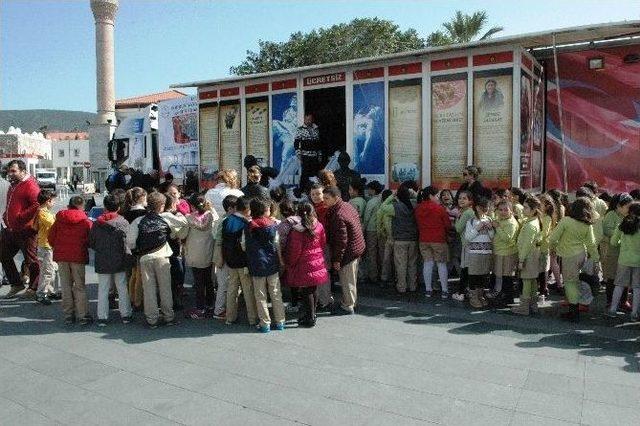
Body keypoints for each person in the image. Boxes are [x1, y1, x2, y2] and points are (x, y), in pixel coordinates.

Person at [127, 192, 185, 328]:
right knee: (165, 288)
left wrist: (137, 249)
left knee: (149, 290)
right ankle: (168, 317)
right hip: (163, 257)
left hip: (145, 257)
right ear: (162, 206)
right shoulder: (166, 218)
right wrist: (174, 232)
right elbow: (184, 223)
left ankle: (152, 319)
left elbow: (130, 242)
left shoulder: (138, 221)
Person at [548, 197, 600, 322]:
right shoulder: (587, 224)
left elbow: (553, 238)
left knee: (570, 283)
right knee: (575, 280)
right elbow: (592, 244)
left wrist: (552, 248)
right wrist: (596, 259)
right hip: (582, 254)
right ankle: (584, 282)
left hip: (568, 256)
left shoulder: (566, 221)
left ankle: (574, 312)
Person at [89, 194, 133, 326]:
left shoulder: (97, 224)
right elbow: (129, 242)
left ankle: (102, 317)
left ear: (105, 207)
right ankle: (126, 314)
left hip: (103, 259)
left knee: (103, 288)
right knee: (122, 287)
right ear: (118, 208)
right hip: (120, 259)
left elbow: (92, 242)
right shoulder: (123, 222)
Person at [48, 196, 93, 325]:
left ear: (69, 205)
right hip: (78, 256)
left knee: (66, 286)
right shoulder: (86, 222)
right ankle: (82, 315)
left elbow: (51, 237)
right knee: (79, 287)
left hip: (62, 257)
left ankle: (68, 314)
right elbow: (90, 239)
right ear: (82, 206)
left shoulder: (59, 219)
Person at [284, 202, 329, 328]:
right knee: (313, 289)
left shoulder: (297, 230)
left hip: (303, 263)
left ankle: (309, 318)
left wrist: (290, 263)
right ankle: (312, 315)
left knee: (306, 291)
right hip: (317, 260)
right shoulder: (319, 225)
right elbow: (323, 242)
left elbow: (294, 250)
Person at [1, 160, 41, 299]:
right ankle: (16, 284)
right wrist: (6, 216)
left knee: (31, 259)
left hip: (26, 230)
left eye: (13, 171)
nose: (10, 173)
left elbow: (37, 203)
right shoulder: (13, 185)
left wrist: (20, 217)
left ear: (23, 171)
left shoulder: (30, 185)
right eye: (9, 171)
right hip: (11, 230)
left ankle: (33, 288)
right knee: (3, 253)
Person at [245, 198, 286, 332]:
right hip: (271, 262)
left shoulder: (249, 226)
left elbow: (243, 245)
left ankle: (265, 323)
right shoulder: (273, 225)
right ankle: (280, 321)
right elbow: (276, 244)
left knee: (260, 295)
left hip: (256, 264)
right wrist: (280, 261)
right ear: (265, 210)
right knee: (275, 293)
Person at [323, 186, 365, 314]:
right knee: (351, 279)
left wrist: (337, 260)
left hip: (349, 251)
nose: (324, 200)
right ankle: (352, 302)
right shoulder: (346, 206)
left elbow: (341, 241)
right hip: (357, 247)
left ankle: (348, 306)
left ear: (336, 198)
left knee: (347, 280)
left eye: (326, 198)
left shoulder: (338, 214)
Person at [219, 195, 258, 326]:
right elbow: (245, 244)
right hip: (243, 261)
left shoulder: (227, 220)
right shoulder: (246, 224)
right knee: (248, 290)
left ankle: (230, 317)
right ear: (247, 209)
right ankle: (253, 318)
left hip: (230, 260)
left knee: (232, 289)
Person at [184, 194, 218, 319]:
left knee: (198, 282)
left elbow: (183, 234)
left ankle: (200, 307)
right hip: (208, 252)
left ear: (192, 206)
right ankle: (210, 304)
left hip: (195, 253)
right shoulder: (211, 215)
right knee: (209, 280)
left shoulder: (188, 219)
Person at [415, 186, 452, 299]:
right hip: (439, 239)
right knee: (441, 264)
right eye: (436, 195)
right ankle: (444, 290)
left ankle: (428, 289)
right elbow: (447, 225)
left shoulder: (418, 208)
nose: (438, 198)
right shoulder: (439, 208)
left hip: (423, 239)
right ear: (431, 196)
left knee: (427, 264)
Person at [607, 202, 640, 319]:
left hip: (624, 260)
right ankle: (634, 313)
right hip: (638, 262)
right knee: (637, 288)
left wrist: (623, 243)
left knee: (619, 285)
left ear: (630, 212)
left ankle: (612, 310)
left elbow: (613, 242)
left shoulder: (622, 225)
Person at [512, 196, 543, 316]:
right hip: (533, 256)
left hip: (528, 257)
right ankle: (533, 305)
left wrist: (521, 260)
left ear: (534, 209)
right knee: (533, 281)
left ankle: (524, 307)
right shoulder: (533, 221)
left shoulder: (530, 225)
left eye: (525, 208)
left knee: (526, 281)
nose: (523, 209)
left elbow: (526, 245)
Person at [602, 193, 634, 307]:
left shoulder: (629, 216)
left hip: (625, 253)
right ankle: (610, 301)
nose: (629, 209)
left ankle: (623, 301)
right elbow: (606, 231)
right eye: (627, 207)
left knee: (626, 278)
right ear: (618, 206)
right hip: (613, 252)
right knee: (612, 277)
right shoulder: (611, 215)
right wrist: (621, 234)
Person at [386, 186, 418, 294]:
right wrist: (413, 193)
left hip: (400, 240)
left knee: (401, 264)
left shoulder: (395, 207)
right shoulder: (414, 205)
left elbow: (382, 207)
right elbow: (421, 199)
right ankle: (412, 286)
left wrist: (391, 196)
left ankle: (402, 287)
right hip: (413, 239)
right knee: (412, 264)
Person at [463, 197, 494, 309]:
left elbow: (492, 237)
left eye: (487, 207)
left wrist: (490, 229)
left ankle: (480, 296)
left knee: (484, 275)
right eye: (483, 207)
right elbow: (468, 237)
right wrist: (477, 228)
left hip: (486, 251)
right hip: (474, 252)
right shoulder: (471, 221)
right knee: (474, 275)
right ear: (477, 207)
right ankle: (473, 297)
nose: (486, 209)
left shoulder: (489, 219)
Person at [490, 200, 519, 305]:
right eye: (500, 210)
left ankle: (508, 298)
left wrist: (497, 227)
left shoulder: (511, 223)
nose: (502, 212)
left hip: (507, 253)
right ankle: (501, 294)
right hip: (499, 251)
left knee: (507, 277)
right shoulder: (501, 219)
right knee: (500, 275)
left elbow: (507, 238)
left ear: (511, 211)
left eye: (506, 210)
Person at [34, 190, 58, 305]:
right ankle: (41, 293)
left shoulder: (46, 212)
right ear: (48, 201)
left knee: (53, 269)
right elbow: (52, 223)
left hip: (49, 244)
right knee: (47, 270)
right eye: (53, 201)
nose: (54, 203)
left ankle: (50, 291)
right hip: (45, 245)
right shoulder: (42, 212)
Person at [453, 190, 475, 302]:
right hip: (470, 244)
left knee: (465, 269)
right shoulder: (470, 211)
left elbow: (458, 228)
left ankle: (462, 292)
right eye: (460, 198)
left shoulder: (466, 213)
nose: (461, 200)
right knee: (468, 269)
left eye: (464, 198)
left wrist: (457, 216)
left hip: (467, 245)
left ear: (470, 201)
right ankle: (468, 291)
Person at [362, 181, 384, 283]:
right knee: (381, 253)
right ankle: (382, 274)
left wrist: (362, 229)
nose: (368, 190)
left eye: (369, 189)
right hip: (381, 229)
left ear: (373, 190)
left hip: (371, 229)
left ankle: (373, 275)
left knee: (372, 253)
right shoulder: (383, 199)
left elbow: (366, 218)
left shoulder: (371, 202)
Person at [295, 113, 321, 193]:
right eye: (307, 119)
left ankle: (314, 191)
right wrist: (299, 154)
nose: (308, 121)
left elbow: (318, 144)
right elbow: (296, 143)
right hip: (305, 156)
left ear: (312, 119)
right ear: (304, 119)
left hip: (314, 156)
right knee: (305, 174)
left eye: (310, 119)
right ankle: (301, 191)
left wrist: (319, 155)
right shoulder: (300, 129)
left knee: (314, 174)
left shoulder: (316, 129)